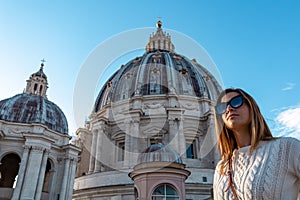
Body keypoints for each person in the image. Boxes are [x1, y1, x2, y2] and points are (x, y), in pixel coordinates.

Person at [213, 88, 300, 200]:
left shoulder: (287, 148)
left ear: (251, 107)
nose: (229, 108)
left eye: (236, 102)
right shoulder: (221, 168)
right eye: (222, 107)